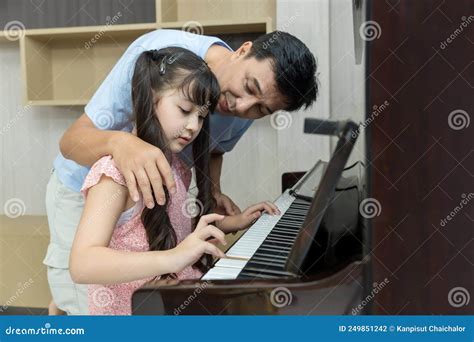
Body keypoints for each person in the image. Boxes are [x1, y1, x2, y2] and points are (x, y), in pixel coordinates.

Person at [44, 29, 318, 315]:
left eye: (261, 109)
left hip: (147, 219)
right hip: (85, 187)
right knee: (81, 302)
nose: (242, 106)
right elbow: (71, 141)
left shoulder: (184, 158)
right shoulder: (158, 55)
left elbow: (213, 149)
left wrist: (214, 194)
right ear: (242, 50)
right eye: (249, 87)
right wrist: (122, 144)